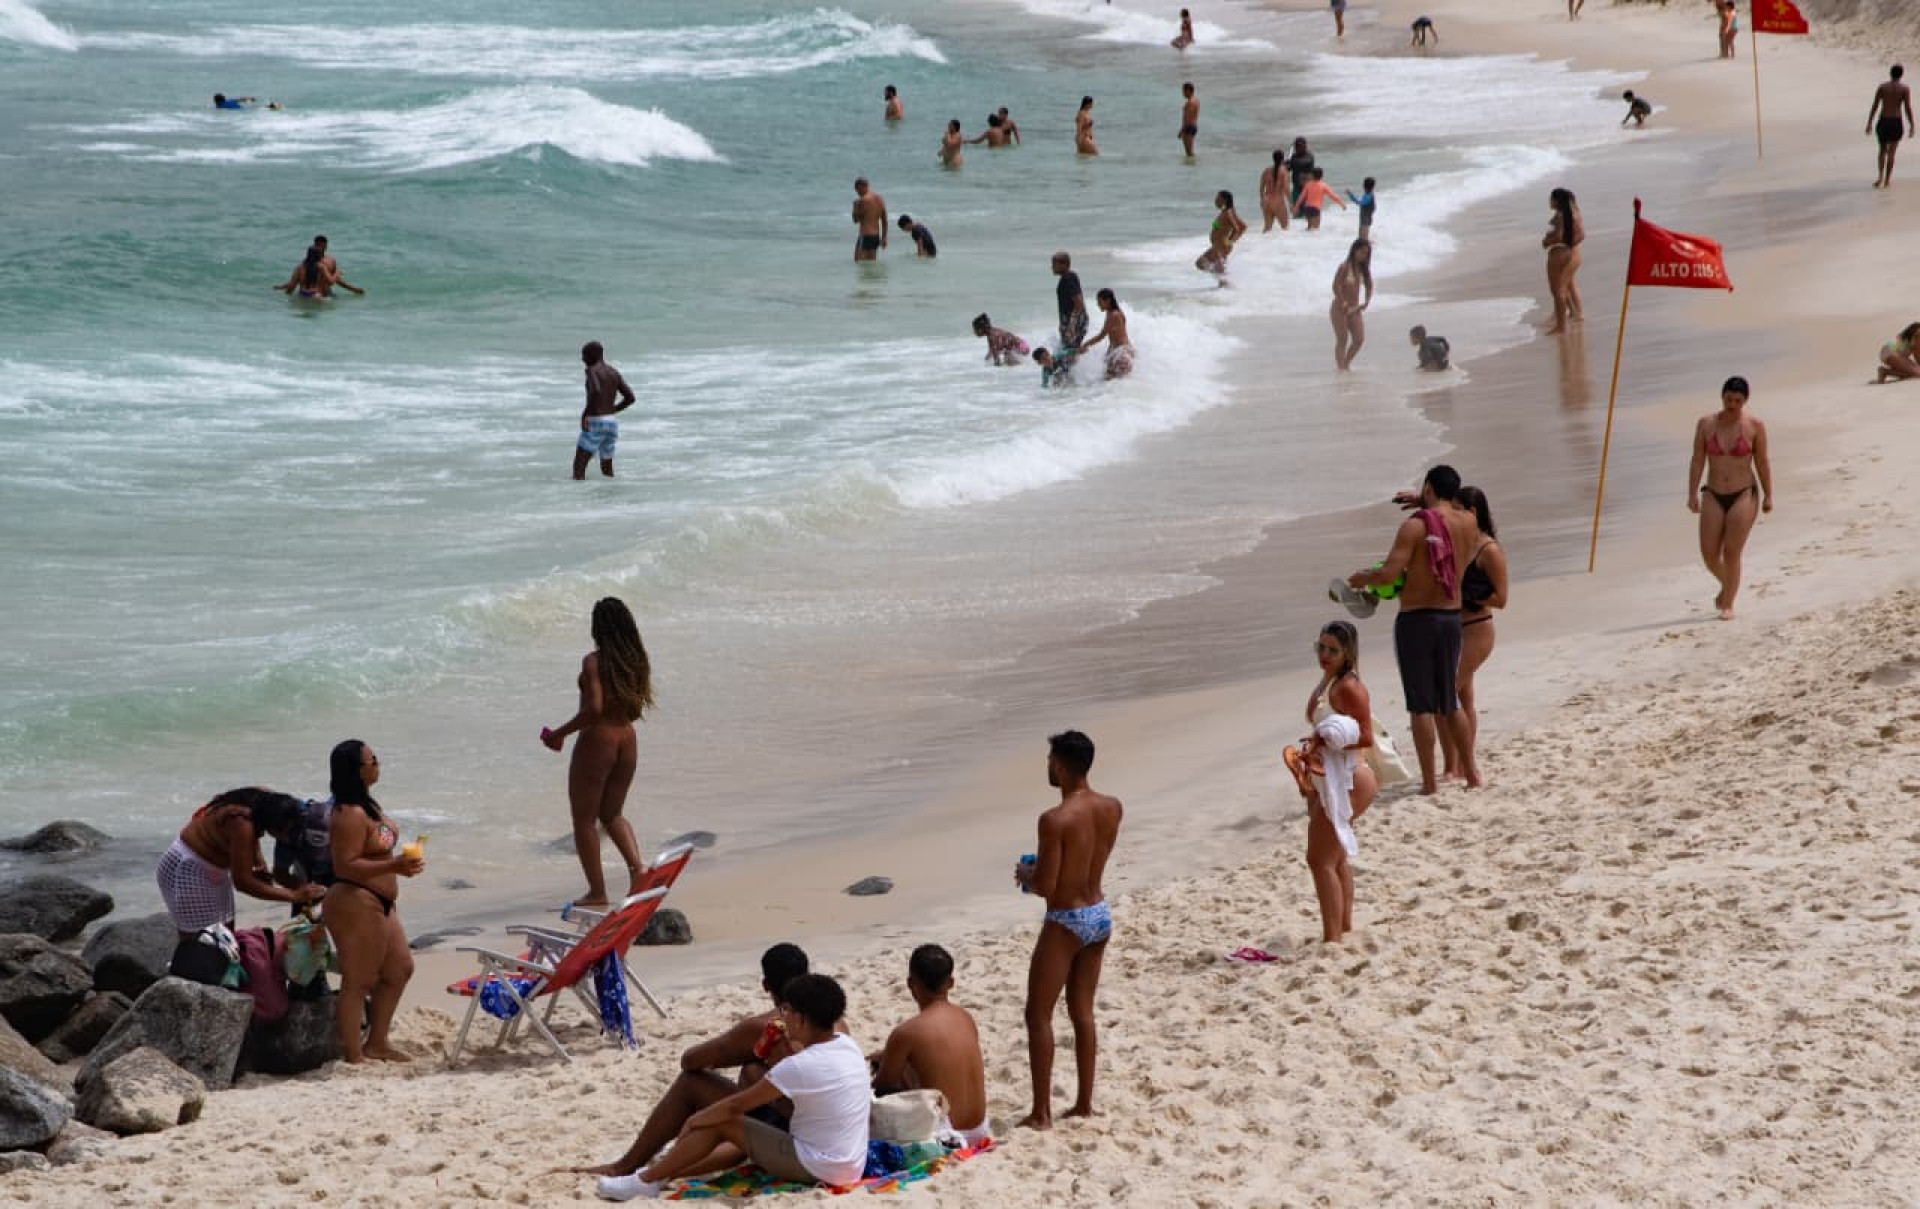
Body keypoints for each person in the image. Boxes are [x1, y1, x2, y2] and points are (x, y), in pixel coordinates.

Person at [595, 974, 868, 1200]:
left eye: (787, 1011)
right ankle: (655, 1174)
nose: (783, 1018)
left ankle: (646, 1180)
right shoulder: (847, 1046)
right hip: (848, 1163)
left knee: (720, 1121)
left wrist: (694, 1120)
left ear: (800, 1019)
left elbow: (736, 1106)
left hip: (820, 1167)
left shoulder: (800, 1065)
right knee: (723, 1115)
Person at [576, 944, 813, 1181]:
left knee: (691, 1083)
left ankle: (625, 1167)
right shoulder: (824, 1021)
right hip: (818, 1130)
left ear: (765, 985)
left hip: (793, 1137)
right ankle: (676, 1162)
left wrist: (742, 1049)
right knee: (752, 1070)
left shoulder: (765, 1027)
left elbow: (690, 1061)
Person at [1348, 465, 1482, 793]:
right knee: (1449, 700)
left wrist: (1362, 579)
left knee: (1421, 704)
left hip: (1417, 619)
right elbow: (1449, 515)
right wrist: (1425, 501)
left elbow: (1389, 574)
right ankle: (1472, 774)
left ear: (1429, 487)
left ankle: (1431, 783)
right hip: (1451, 617)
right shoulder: (1468, 522)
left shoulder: (1414, 527)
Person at [1014, 730, 1121, 1130]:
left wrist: (1027, 873)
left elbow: (1047, 885)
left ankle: (1041, 1112)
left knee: (1037, 1014)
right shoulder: (1112, 807)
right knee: (1082, 1012)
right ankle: (1083, 1103)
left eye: (1049, 760)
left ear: (1060, 765)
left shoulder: (1054, 819)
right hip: (1099, 912)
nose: (1047, 766)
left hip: (1067, 919)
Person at [542, 596, 655, 906]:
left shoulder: (593, 662)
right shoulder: (636, 662)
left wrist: (559, 734)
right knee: (612, 814)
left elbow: (594, 709)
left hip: (599, 741)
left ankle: (597, 892)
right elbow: (633, 709)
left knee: (584, 820)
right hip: (627, 738)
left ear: (597, 628)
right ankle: (638, 871)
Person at [321, 740, 422, 1063]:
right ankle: (353, 1055)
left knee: (399, 969)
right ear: (357, 770)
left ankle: (377, 1042)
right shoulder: (348, 814)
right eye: (372, 760)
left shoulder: (368, 805)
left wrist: (398, 864)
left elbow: (375, 849)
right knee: (359, 979)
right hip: (353, 898)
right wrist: (394, 867)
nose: (378, 765)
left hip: (380, 900)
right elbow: (345, 865)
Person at [1295, 621, 1378, 943]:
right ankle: (1342, 928)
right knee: (1335, 857)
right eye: (1321, 647)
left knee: (1319, 860)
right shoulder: (1329, 681)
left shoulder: (1349, 687)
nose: (1325, 655)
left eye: (1333, 650)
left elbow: (1366, 735)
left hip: (1351, 779)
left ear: (1348, 653)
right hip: (1330, 776)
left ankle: (1332, 938)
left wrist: (1324, 740)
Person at [157, 788, 324, 939]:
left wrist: (258, 861)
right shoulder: (241, 823)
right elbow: (243, 883)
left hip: (211, 868)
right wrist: (294, 896)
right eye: (284, 832)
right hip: (189, 869)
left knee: (225, 935)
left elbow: (254, 833)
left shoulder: (262, 799)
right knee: (202, 939)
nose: (287, 838)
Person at [872, 945, 990, 1147]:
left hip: (945, 1136)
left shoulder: (907, 1032)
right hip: (979, 1129)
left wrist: (886, 1062)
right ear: (951, 983)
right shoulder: (965, 1017)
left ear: (910, 984)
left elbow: (882, 1088)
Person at [1687, 376, 1773, 620]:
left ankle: (1728, 603)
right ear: (1722, 396)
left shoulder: (1755, 426)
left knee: (1731, 551)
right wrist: (1692, 493)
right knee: (1709, 554)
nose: (1732, 405)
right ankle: (1729, 585)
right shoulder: (1706, 424)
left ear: (1745, 401)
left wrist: (1768, 494)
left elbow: (1762, 461)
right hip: (1713, 493)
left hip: (1743, 493)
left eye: (1737, 401)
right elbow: (1697, 460)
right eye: (1728, 399)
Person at [1451, 486, 1507, 772]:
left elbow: (1501, 599)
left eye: (1457, 510)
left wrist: (1469, 596)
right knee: (1464, 698)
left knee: (1447, 693)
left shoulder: (1489, 550)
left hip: (1477, 628)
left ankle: (1462, 766)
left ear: (1472, 512)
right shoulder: (1461, 543)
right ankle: (1460, 764)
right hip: (1455, 628)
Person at [572, 341, 637, 480]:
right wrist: (612, 410)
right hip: (611, 423)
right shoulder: (613, 372)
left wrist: (586, 414)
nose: (582, 359)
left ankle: (577, 495)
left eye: (584, 355)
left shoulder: (591, 370)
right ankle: (611, 493)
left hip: (596, 422)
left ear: (593, 355)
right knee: (607, 469)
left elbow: (596, 390)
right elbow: (630, 398)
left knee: (579, 468)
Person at [1542, 187, 1584, 334]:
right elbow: (1581, 234)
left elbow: (1560, 235)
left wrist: (1548, 241)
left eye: (1551, 199)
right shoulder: (1573, 213)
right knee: (1567, 286)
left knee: (1558, 290)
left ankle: (1561, 325)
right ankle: (1574, 313)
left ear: (1557, 201)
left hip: (1561, 253)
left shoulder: (1562, 215)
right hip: (1571, 252)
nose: (1549, 201)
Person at [1329, 239, 1373, 371]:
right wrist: (1343, 301)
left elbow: (1369, 286)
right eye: (1361, 252)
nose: (1363, 256)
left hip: (1354, 308)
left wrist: (1367, 301)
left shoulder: (1363, 269)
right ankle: (1341, 368)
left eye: (1366, 254)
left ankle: (1346, 363)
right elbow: (1335, 286)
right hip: (1340, 307)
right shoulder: (1344, 267)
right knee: (1342, 339)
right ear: (1354, 250)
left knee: (1359, 339)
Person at [1867, 65, 1914, 189]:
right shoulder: (1904, 89)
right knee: (1892, 153)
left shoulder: (1882, 87)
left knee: (1882, 150)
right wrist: (1912, 124)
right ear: (1901, 74)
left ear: (1890, 73)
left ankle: (1880, 177)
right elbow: (1907, 108)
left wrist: (1869, 123)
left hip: (1884, 121)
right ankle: (1887, 180)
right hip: (1896, 122)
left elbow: (1875, 105)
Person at [1077, 288, 1134, 378]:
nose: (1098, 304)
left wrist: (1085, 345)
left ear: (1108, 301)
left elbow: (1101, 335)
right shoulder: (1114, 312)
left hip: (1121, 353)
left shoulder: (1114, 315)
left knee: (1112, 381)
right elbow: (1114, 336)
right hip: (1120, 351)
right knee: (1113, 382)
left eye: (1100, 302)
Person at [1195, 190, 1246, 277]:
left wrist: (1230, 241)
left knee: (1201, 263)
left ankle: (1225, 280)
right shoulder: (1225, 212)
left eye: (1218, 199)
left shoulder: (1228, 212)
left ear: (1224, 200)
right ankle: (1225, 282)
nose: (1215, 201)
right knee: (1216, 269)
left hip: (1221, 246)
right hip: (1218, 245)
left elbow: (1238, 229)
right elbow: (1243, 226)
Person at [1052, 251, 1088, 349]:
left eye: (1054, 264)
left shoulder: (1069, 278)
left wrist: (1072, 325)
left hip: (1074, 323)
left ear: (1063, 264)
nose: (1052, 267)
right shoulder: (1067, 277)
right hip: (1072, 322)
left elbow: (1078, 302)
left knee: (1070, 352)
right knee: (1069, 351)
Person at [1293, 167, 1347, 231]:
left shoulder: (1308, 185)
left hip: (1307, 208)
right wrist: (1342, 204)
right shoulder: (1323, 185)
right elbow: (1333, 196)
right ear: (1321, 176)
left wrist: (1296, 207)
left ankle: (1303, 236)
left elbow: (1301, 197)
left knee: (1309, 227)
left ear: (1312, 175)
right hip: (1315, 208)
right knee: (1316, 229)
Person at [851, 178, 888, 262]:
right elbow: (884, 220)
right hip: (875, 236)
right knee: (871, 263)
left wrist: (855, 207)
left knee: (858, 261)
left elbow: (855, 220)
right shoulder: (879, 199)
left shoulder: (862, 201)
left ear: (862, 187)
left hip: (865, 236)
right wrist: (884, 237)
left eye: (858, 190)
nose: (858, 193)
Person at [1258, 150, 1291, 233]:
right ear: (1282, 159)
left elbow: (1261, 187)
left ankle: (1261, 241)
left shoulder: (1266, 171)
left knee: (1267, 228)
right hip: (1278, 201)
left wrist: (1262, 199)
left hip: (1266, 201)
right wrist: (1291, 202)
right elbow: (1286, 188)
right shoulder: (1284, 171)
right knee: (1285, 227)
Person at [1285, 137, 1315, 208]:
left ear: (1305, 146)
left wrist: (1291, 162)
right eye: (1296, 146)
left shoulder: (1309, 156)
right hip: (1296, 187)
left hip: (1308, 188)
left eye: (1300, 146)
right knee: (1296, 210)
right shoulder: (1293, 156)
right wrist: (1285, 165)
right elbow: (1288, 169)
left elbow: (1304, 163)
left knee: (1308, 210)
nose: (1298, 148)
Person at [1345, 175, 1377, 240]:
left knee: (1363, 237)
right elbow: (1374, 207)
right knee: (1361, 236)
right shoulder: (1369, 195)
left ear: (1364, 186)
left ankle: (1369, 244)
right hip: (1366, 217)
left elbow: (1360, 203)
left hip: (1365, 218)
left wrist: (1350, 195)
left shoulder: (1368, 196)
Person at [1178, 82, 1199, 157]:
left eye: (1183, 91)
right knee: (1190, 152)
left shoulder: (1190, 102)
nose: (1183, 93)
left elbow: (1188, 118)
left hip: (1188, 127)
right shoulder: (1196, 100)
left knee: (1189, 152)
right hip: (1193, 126)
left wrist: (1182, 130)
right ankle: (1192, 163)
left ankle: (1192, 164)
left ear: (1188, 91)